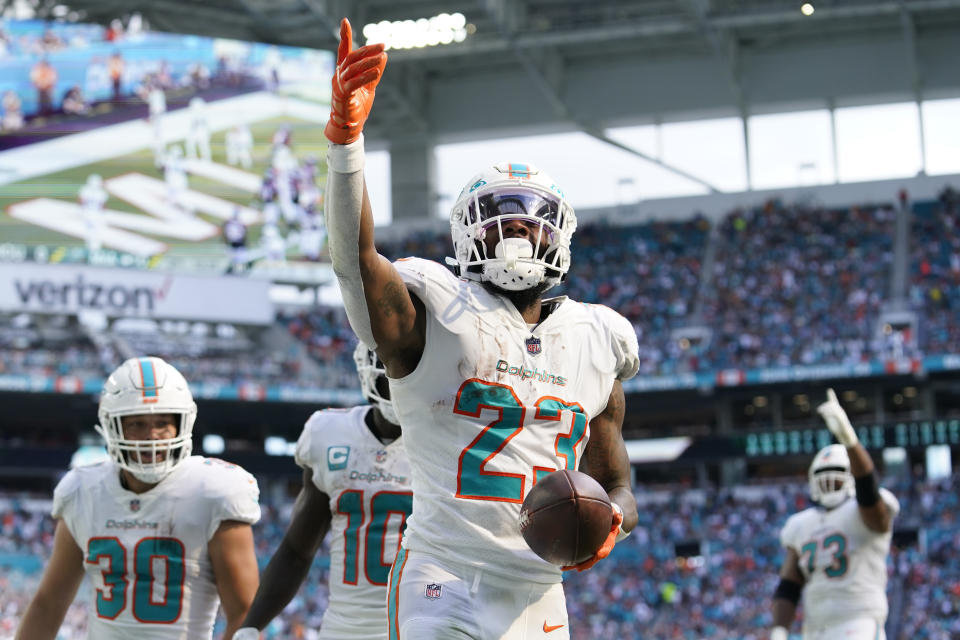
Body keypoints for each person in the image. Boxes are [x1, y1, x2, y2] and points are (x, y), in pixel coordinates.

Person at [322, 18, 640, 640]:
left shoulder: (597, 337)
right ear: (469, 232)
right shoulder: (435, 307)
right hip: (445, 574)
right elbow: (355, 264)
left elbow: (616, 484)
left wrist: (610, 522)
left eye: (531, 221)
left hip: (541, 590)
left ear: (561, 236)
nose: (517, 230)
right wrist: (346, 142)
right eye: (501, 219)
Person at [14, 356, 261, 640]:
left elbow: (245, 613)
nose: (152, 436)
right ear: (112, 426)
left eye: (162, 423)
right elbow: (48, 604)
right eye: (137, 424)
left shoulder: (214, 491)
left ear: (182, 424)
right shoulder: (83, 491)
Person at [232, 343, 411, 640]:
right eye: (392, 367)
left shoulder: (450, 439)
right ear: (370, 368)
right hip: (344, 632)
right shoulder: (330, 434)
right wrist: (251, 625)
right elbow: (296, 551)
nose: (401, 378)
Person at [771, 389, 899, 640]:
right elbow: (789, 584)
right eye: (823, 474)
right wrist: (779, 630)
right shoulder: (801, 524)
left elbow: (869, 496)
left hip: (859, 622)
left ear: (851, 476)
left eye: (838, 473)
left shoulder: (866, 510)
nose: (830, 480)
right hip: (816, 629)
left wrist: (849, 440)